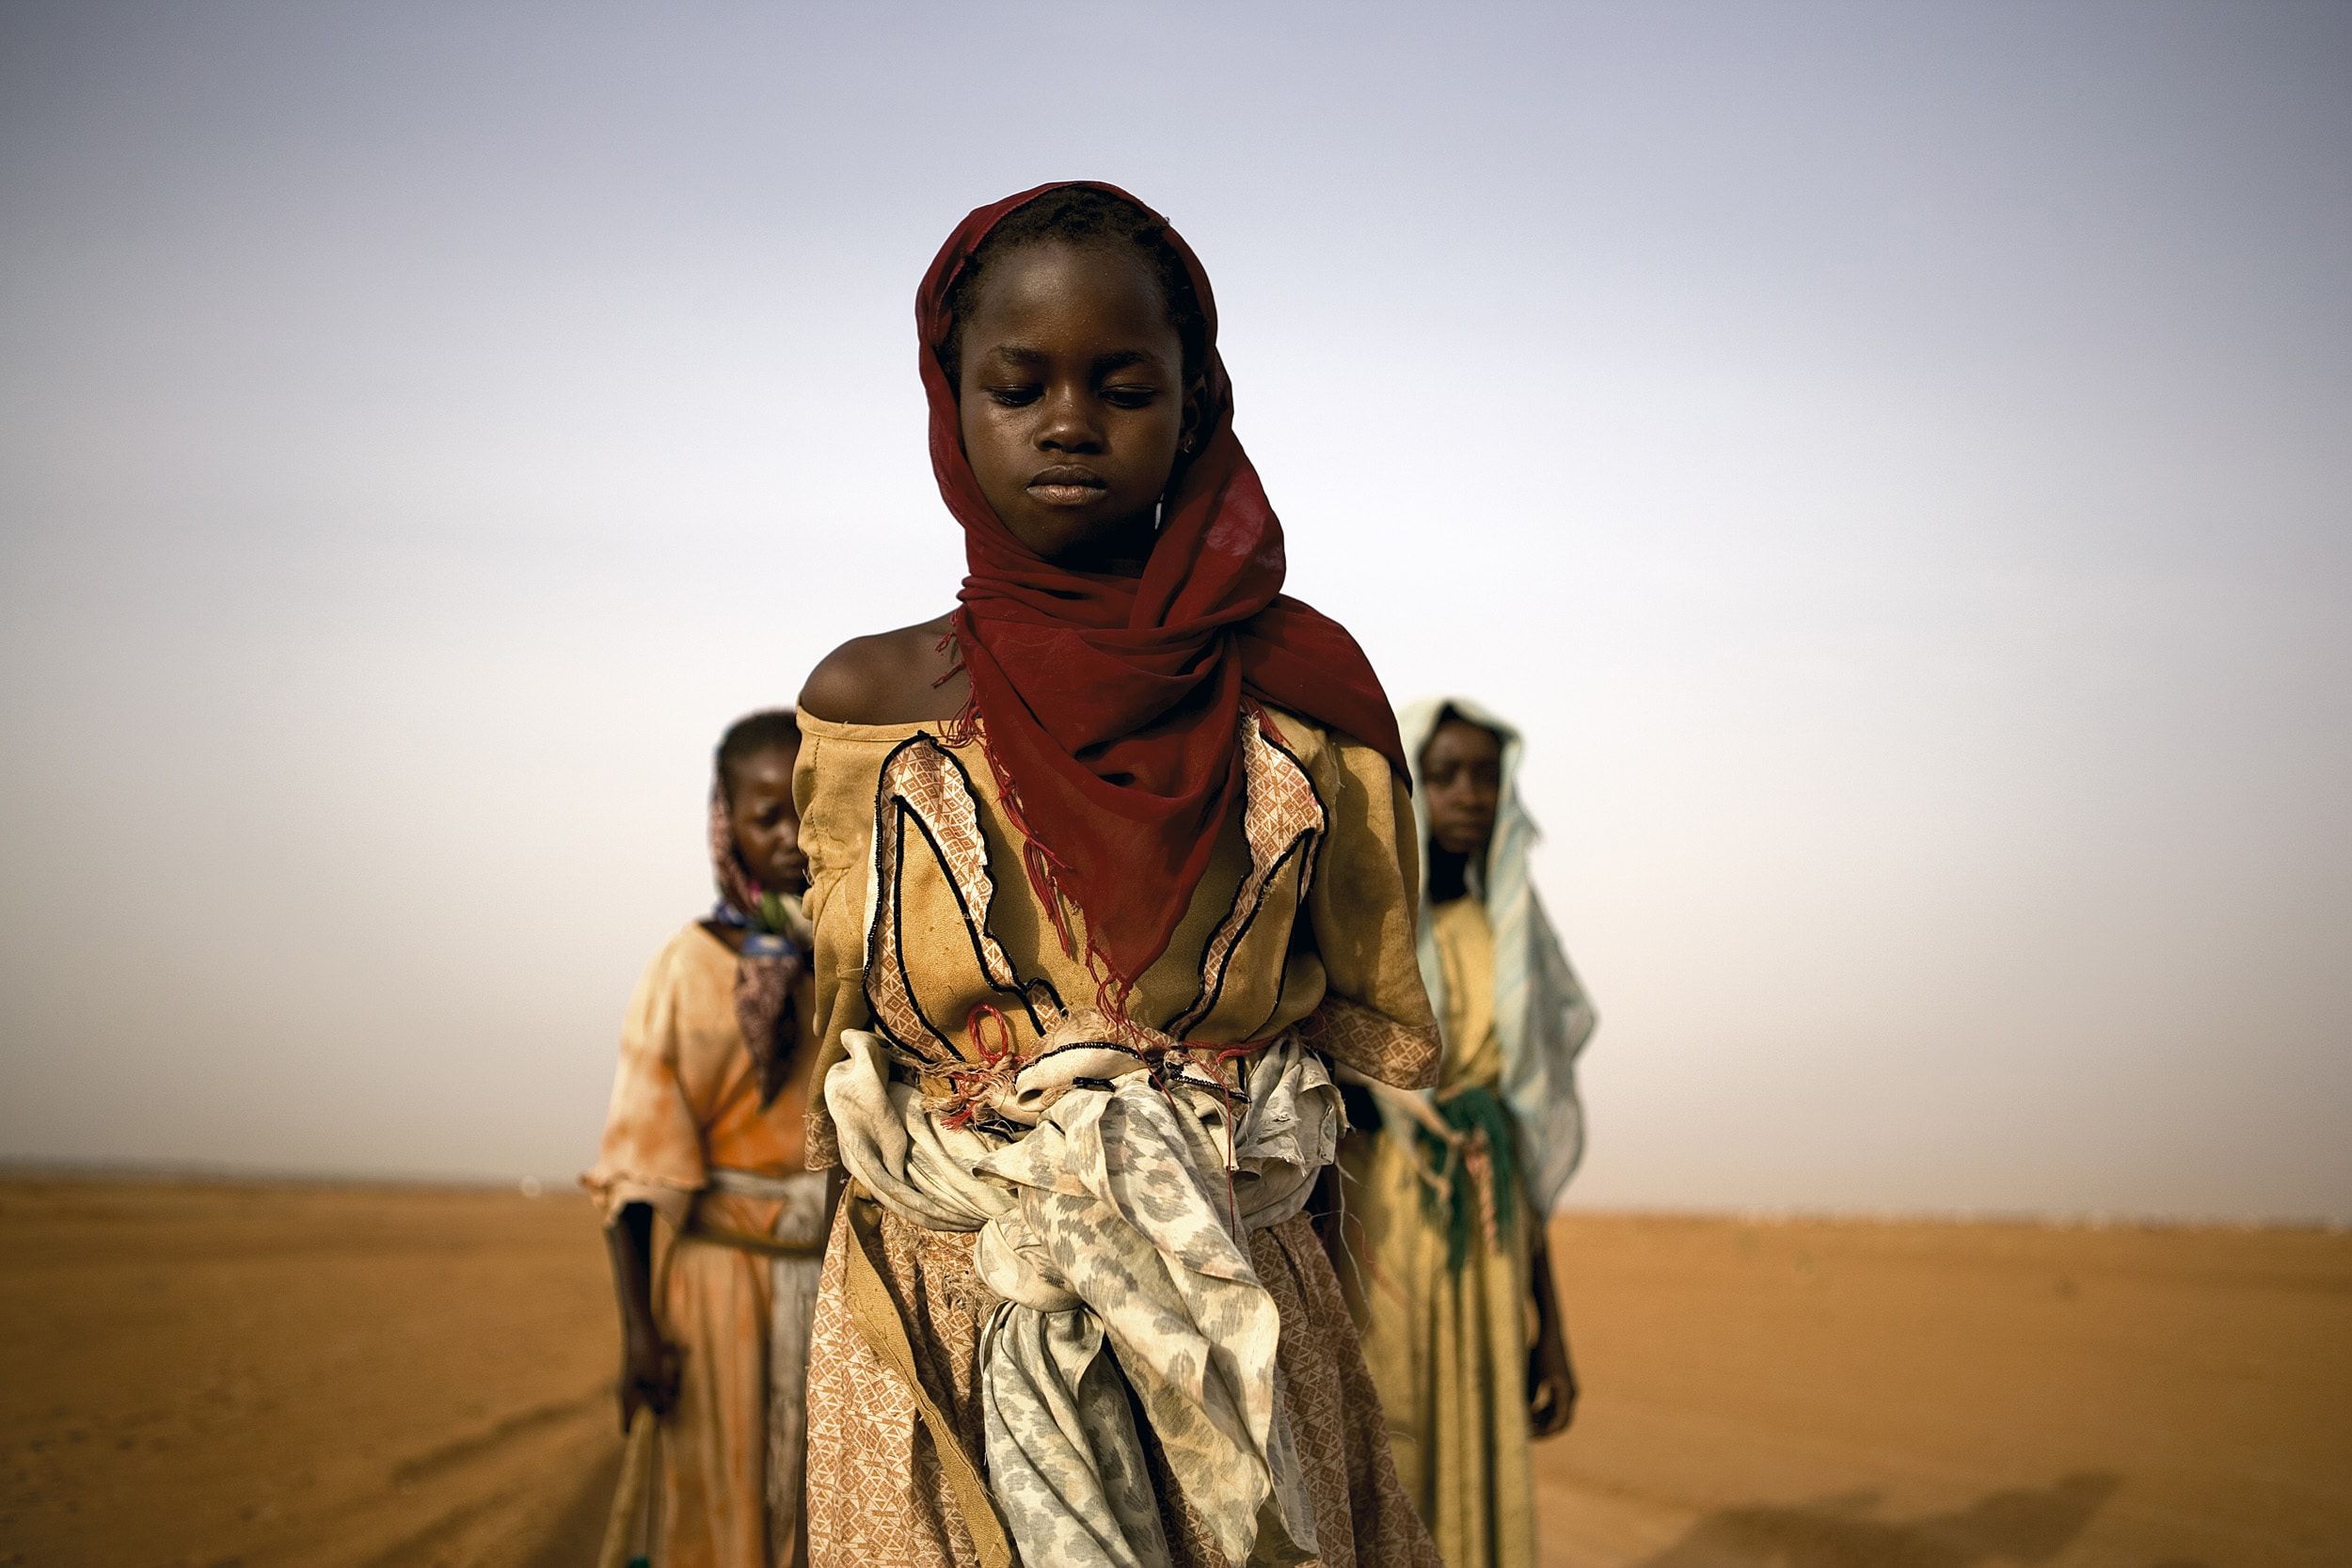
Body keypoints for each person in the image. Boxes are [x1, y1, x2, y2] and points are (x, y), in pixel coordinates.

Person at [789, 182, 1444, 1568]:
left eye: (1122, 385)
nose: (1069, 422)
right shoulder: (870, 704)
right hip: (945, 1301)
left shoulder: (1305, 698)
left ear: (1196, 406)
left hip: (1236, 1312)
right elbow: (841, 1016)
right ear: (949, 403)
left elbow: (1344, 1035)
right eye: (1018, 385)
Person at [1336, 698, 1597, 1568]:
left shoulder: (1509, 938)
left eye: (1485, 775)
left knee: (1480, 1449)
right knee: (1392, 1441)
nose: (1468, 794)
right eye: (1444, 773)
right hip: (1384, 1229)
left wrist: (1547, 1324)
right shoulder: (1364, 933)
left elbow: (1518, 1142)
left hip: (1489, 1242)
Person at [584, 709, 831, 1568]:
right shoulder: (686, 966)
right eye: (769, 816)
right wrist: (638, 1331)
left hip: (840, 1288)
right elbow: (637, 1167)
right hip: (718, 1287)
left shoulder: (860, 959)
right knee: (720, 1509)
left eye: (808, 806)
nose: (795, 837)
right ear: (726, 823)